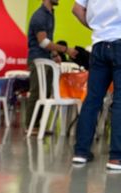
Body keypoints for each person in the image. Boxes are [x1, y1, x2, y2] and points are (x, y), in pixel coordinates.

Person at [72, 0, 121, 171]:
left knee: (92, 100)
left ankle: (81, 152)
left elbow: (77, 9)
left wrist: (100, 28)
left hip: (99, 43)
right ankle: (119, 156)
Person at [26, 0, 78, 131]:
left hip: (47, 59)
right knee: (37, 93)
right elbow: (43, 42)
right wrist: (66, 50)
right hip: (38, 60)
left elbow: (49, 39)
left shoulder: (50, 13)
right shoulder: (40, 16)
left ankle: (38, 126)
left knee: (45, 94)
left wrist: (54, 54)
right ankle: (30, 126)